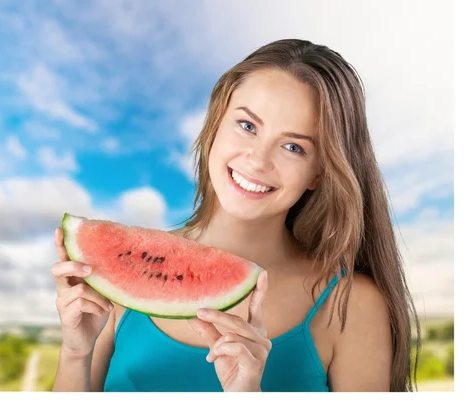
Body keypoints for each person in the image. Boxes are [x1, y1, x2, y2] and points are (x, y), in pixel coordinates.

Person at [50, 39, 421, 392]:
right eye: (247, 126)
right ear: (215, 125)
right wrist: (75, 352)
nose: (257, 161)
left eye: (293, 147)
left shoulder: (351, 304)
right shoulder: (120, 273)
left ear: (320, 172)